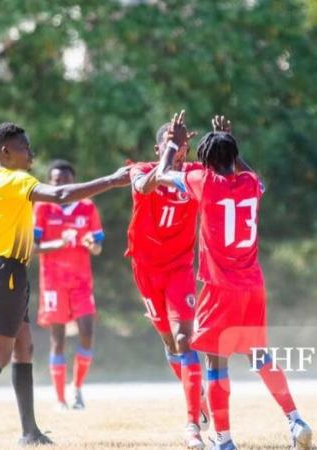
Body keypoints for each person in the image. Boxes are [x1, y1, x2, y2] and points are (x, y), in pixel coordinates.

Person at [0, 123, 130, 447]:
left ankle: (29, 432)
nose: (31, 154)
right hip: (7, 270)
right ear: (5, 152)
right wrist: (112, 180)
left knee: (23, 348)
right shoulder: (17, 181)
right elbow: (61, 195)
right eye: (25, 148)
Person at [156, 112, 312, 450]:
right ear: (233, 159)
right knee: (259, 356)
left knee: (215, 361)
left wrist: (172, 141)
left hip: (219, 287)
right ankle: (296, 419)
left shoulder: (203, 181)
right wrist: (228, 143)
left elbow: (164, 173)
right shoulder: (251, 184)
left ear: (207, 162)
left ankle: (223, 439)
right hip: (253, 286)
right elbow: (252, 174)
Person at [126, 122, 209, 448]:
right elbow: (147, 186)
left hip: (179, 268)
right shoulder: (140, 169)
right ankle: (196, 391)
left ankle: (192, 425)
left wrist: (224, 140)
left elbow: (229, 176)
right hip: (146, 269)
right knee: (170, 344)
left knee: (183, 339)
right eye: (171, 147)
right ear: (158, 149)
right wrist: (171, 150)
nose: (179, 155)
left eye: (183, 148)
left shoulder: (193, 173)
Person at [33, 159, 104, 410]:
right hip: (53, 282)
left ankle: (77, 390)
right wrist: (58, 244)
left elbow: (97, 247)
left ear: (74, 182)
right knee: (58, 339)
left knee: (87, 334)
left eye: (65, 180)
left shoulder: (87, 207)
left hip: (81, 282)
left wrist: (90, 244)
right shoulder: (42, 208)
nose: (60, 184)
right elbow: (33, 247)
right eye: (55, 180)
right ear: (50, 183)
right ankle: (60, 399)